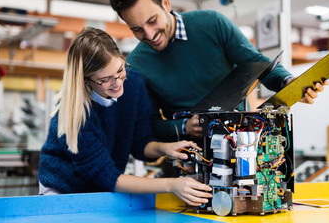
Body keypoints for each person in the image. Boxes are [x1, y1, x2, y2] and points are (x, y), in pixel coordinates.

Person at [109, 0, 327, 143]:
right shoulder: (136, 64)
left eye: (152, 20)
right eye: (136, 29)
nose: (149, 34)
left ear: (165, 3)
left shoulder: (212, 24)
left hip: (244, 143)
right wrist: (184, 126)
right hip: (191, 158)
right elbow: (150, 125)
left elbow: (258, 63)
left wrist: (289, 82)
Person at [38, 27, 212, 206]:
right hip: (62, 192)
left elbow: (140, 143)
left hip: (102, 189)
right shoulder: (74, 114)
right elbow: (109, 177)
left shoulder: (134, 83)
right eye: (105, 80)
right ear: (86, 80)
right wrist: (171, 184)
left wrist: (166, 148)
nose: (118, 83)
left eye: (120, 70)